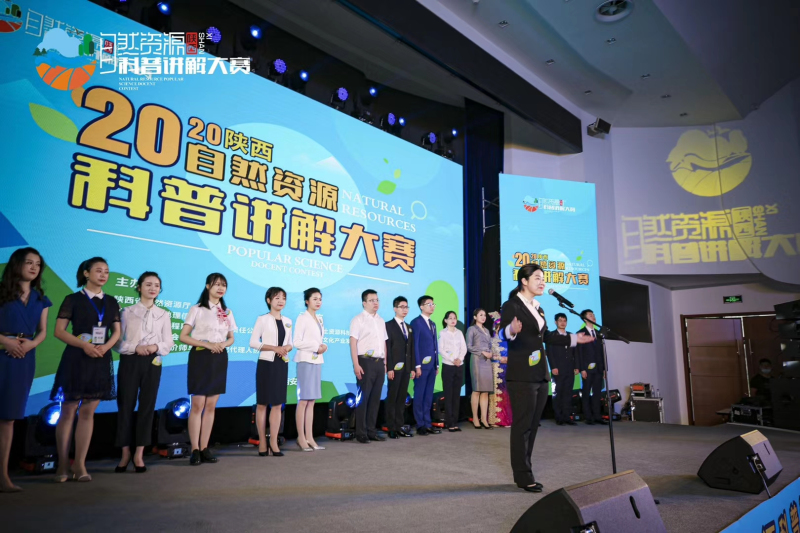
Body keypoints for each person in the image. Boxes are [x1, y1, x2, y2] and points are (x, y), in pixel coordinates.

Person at [500, 263, 592, 492]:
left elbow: (547, 336)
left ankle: (526, 470)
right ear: (524, 281)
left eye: (544, 278)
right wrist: (511, 330)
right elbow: (504, 332)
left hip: (540, 374)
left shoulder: (538, 308)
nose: (542, 282)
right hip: (522, 374)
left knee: (533, 426)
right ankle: (523, 476)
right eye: (538, 278)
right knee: (522, 426)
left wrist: (574, 339)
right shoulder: (512, 305)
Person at [51, 257, 121, 483]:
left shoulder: (111, 301)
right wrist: (85, 346)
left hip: (100, 358)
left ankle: (80, 464)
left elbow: (117, 332)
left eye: (106, 272)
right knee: (68, 409)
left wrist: (105, 348)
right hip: (76, 358)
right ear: (86, 273)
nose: (103, 275)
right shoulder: (72, 299)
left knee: (88, 411)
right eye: (98, 271)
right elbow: (59, 331)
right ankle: (62, 463)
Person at [0, 248, 51, 492]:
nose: (33, 267)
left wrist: (30, 344)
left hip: (24, 359)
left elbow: (42, 332)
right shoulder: (2, 292)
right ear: (16, 264)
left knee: (8, 418)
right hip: (3, 352)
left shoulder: (41, 298)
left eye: (37, 264)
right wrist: (5, 342)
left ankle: (3, 476)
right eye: (29, 262)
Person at [115, 272, 174, 473]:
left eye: (156, 285)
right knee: (125, 405)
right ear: (139, 287)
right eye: (148, 284)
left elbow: (169, 342)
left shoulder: (163, 314)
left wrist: (155, 346)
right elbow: (116, 342)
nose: (152, 288)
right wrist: (135, 347)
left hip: (153, 361)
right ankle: (125, 453)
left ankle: (139, 453)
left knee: (147, 406)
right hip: (130, 360)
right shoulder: (127, 312)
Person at [179, 273, 236, 466]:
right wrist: (206, 343)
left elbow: (231, 338)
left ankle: (204, 448)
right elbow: (183, 336)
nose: (220, 288)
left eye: (223, 285)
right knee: (197, 405)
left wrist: (222, 344)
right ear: (207, 286)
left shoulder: (227, 311)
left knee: (211, 405)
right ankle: (194, 449)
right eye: (216, 284)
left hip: (219, 357)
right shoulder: (197, 309)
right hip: (201, 356)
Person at [250, 287, 293, 457]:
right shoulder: (262, 319)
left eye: (283, 298)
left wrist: (286, 348)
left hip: (281, 364)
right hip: (266, 364)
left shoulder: (288, 321)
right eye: (277, 298)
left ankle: (274, 442)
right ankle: (262, 442)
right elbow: (253, 342)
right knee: (262, 404)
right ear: (268, 300)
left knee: (277, 404)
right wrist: (274, 348)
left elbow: (290, 343)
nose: (281, 301)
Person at [349, 290, 388, 444]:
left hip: (379, 362)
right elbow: (353, 343)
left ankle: (372, 431)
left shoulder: (381, 320)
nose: (375, 303)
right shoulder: (358, 320)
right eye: (372, 300)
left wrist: (385, 363)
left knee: (375, 399)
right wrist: (356, 364)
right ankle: (361, 432)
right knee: (363, 399)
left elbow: (383, 343)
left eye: (377, 300)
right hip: (365, 362)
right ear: (364, 303)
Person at [292, 288, 327, 451]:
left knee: (312, 400)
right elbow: (296, 342)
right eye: (314, 299)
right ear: (307, 301)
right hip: (305, 360)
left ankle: (310, 437)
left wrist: (323, 347)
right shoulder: (302, 318)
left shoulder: (319, 318)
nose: (318, 302)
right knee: (304, 400)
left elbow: (318, 340)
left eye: (320, 299)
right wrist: (315, 346)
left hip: (317, 360)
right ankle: (301, 437)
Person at [410, 295, 440, 435]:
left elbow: (435, 345)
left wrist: (437, 364)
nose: (432, 306)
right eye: (429, 304)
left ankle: (428, 423)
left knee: (428, 396)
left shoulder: (433, 324)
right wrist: (417, 366)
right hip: (421, 366)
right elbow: (415, 346)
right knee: (419, 395)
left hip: (432, 366)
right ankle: (420, 424)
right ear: (421, 306)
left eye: (433, 304)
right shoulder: (416, 322)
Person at [385, 296, 414, 439]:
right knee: (392, 397)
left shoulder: (409, 327)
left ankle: (399, 426)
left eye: (406, 307)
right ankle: (391, 427)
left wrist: (412, 368)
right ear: (395, 309)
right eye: (402, 307)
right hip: (394, 369)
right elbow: (388, 349)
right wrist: (389, 368)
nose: (405, 310)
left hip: (406, 369)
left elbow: (411, 350)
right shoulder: (388, 325)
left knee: (402, 398)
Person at [546, 313, 578, 426]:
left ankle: (567, 417)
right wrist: (553, 367)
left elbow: (575, 353)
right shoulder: (551, 336)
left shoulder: (572, 336)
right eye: (560, 320)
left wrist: (576, 366)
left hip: (570, 368)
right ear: (555, 322)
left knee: (568, 393)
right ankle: (558, 417)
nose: (563, 322)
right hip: (557, 369)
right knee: (557, 393)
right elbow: (549, 353)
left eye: (564, 320)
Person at [577, 309, 607, 426]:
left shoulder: (599, 334)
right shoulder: (580, 333)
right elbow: (579, 353)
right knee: (586, 393)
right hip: (587, 369)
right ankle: (588, 417)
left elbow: (602, 352)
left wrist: (604, 369)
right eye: (590, 315)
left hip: (599, 368)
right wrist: (582, 369)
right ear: (585, 319)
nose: (593, 317)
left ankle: (597, 416)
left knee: (597, 393)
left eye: (594, 315)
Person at [439, 311, 467, 432]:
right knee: (449, 395)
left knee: (456, 395)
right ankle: (449, 422)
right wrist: (452, 359)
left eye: (454, 318)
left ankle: (455, 422)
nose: (452, 320)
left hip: (459, 366)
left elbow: (464, 348)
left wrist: (459, 359)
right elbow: (441, 349)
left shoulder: (459, 333)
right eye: (450, 318)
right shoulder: (443, 333)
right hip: (448, 366)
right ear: (446, 320)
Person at [467, 308, 494, 429]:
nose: (483, 317)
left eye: (484, 315)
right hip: (477, 360)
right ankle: (475, 418)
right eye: (481, 315)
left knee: (485, 391)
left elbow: (490, 345)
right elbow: (469, 346)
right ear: (475, 317)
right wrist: (482, 352)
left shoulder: (487, 330)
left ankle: (484, 418)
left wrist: (491, 353)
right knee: (477, 390)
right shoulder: (472, 329)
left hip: (487, 361)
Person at [489, 314, 512, 427]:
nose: (499, 329)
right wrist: (499, 358)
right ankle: (494, 420)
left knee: (506, 395)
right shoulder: (491, 340)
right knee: (495, 395)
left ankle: (506, 419)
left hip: (507, 369)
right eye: (497, 327)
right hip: (495, 369)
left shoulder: (509, 340)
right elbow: (488, 355)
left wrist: (509, 359)